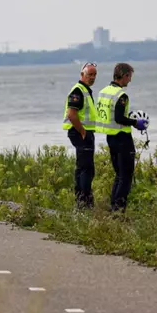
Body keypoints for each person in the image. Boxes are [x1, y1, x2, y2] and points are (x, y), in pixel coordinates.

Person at [95, 63, 148, 213]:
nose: (130, 81)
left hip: (110, 137)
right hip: (122, 138)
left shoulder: (103, 91)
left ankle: (114, 208)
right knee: (126, 177)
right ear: (124, 76)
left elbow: (111, 114)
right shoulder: (121, 95)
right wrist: (135, 122)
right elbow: (119, 117)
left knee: (119, 175)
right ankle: (118, 211)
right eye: (129, 77)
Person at [62, 62, 98, 209]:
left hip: (84, 132)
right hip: (80, 132)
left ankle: (80, 201)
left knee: (82, 167)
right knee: (86, 169)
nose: (92, 77)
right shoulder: (78, 91)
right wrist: (82, 131)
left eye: (95, 74)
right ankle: (85, 202)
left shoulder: (85, 90)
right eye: (90, 74)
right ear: (82, 74)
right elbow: (71, 114)